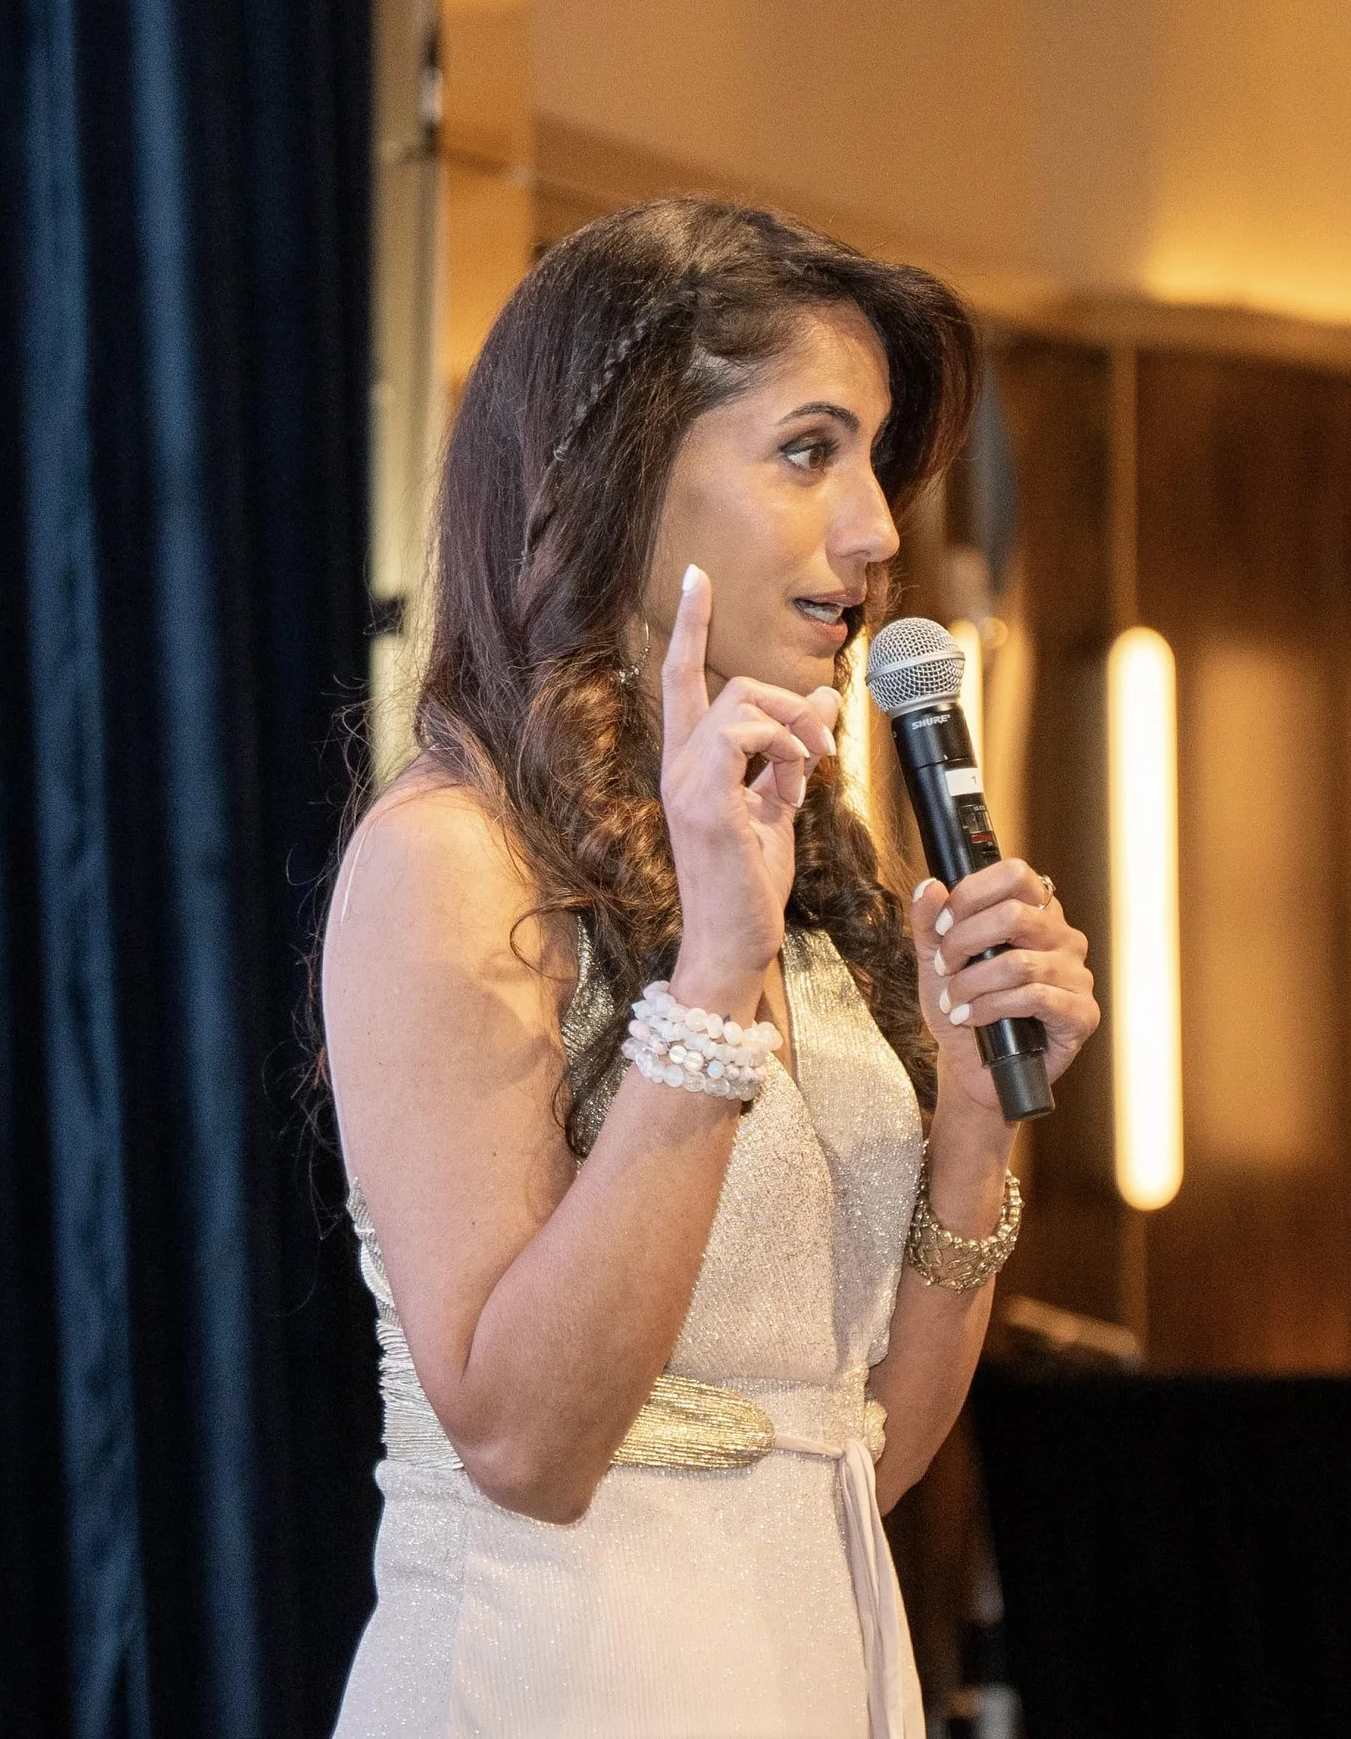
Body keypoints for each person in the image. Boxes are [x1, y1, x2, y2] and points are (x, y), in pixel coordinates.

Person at [319, 198, 1100, 1738]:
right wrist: (708, 989)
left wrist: (969, 1108)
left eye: (875, 460)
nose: (877, 529)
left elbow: (861, 1447)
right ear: (616, 481)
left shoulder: (804, 864)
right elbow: (530, 1443)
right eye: (810, 451)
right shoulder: (451, 860)